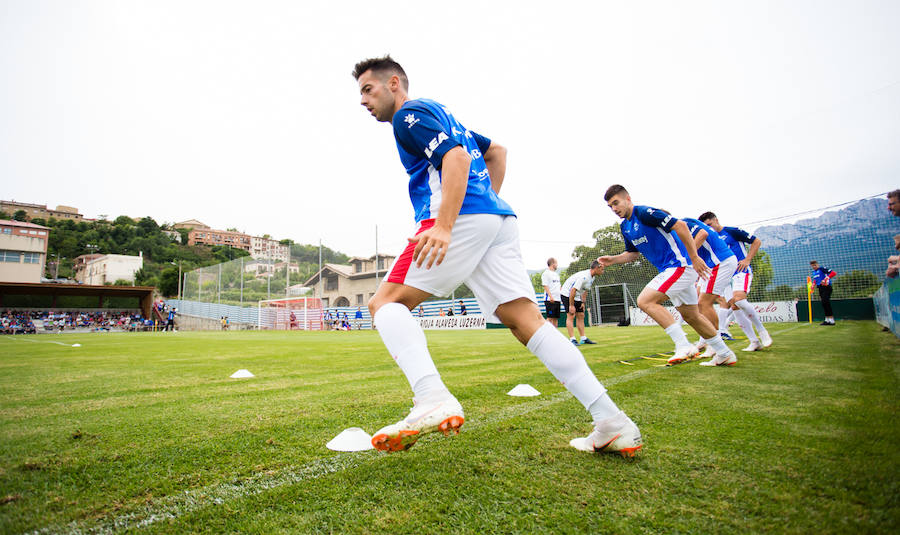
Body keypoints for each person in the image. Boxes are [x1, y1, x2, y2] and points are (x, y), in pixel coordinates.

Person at [353, 55, 641, 456]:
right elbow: (497, 152)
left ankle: (432, 397)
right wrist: (486, 204)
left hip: (460, 219)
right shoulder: (442, 115)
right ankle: (611, 421)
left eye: (369, 89)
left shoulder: (410, 115)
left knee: (384, 303)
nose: (363, 100)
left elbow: (455, 158)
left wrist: (446, 224)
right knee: (527, 322)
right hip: (496, 222)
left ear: (395, 83)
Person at [599, 185, 737, 367]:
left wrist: (694, 257)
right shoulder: (625, 227)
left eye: (616, 203)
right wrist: (613, 259)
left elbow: (680, 225)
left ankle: (683, 345)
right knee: (691, 316)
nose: (614, 209)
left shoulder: (645, 213)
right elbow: (632, 254)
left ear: (628, 199)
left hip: (680, 266)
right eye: (610, 206)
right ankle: (724, 353)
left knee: (645, 301)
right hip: (670, 270)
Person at [699, 212, 772, 349]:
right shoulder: (711, 239)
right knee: (734, 306)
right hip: (726, 275)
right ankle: (754, 341)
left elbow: (756, 241)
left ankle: (762, 331)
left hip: (741, 271)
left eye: (710, 224)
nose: (710, 228)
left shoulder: (731, 231)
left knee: (738, 299)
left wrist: (748, 259)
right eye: (706, 227)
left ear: (716, 220)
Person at [681, 216, 750, 354]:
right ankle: (706, 340)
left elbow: (703, 234)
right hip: (713, 264)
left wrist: (689, 257)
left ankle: (716, 345)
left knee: (704, 303)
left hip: (720, 262)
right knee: (699, 300)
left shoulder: (682, 223)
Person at [560, 262, 602, 345]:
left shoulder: (592, 277)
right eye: (602, 269)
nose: (603, 271)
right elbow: (573, 290)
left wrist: (582, 302)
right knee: (571, 315)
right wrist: (571, 305)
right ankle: (572, 339)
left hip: (577, 295)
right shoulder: (584, 277)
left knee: (581, 315)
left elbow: (585, 290)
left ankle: (583, 338)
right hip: (567, 294)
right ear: (596, 268)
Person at [810, 261, 837, 325]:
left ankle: (831, 320)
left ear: (817, 265)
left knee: (826, 302)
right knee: (823, 303)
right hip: (820, 288)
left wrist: (827, 278)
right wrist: (813, 285)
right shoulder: (814, 272)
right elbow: (816, 280)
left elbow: (833, 273)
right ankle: (827, 319)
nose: (814, 267)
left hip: (826, 287)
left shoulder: (822, 269)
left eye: (815, 265)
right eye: (812, 266)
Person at [541, 257, 562, 327]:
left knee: (555, 318)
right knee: (550, 318)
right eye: (556, 263)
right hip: (550, 300)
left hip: (557, 299)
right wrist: (551, 297)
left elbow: (559, 286)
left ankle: (554, 336)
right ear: (553, 264)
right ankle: (543, 333)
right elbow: (545, 285)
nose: (557, 265)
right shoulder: (546, 273)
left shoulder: (556, 274)